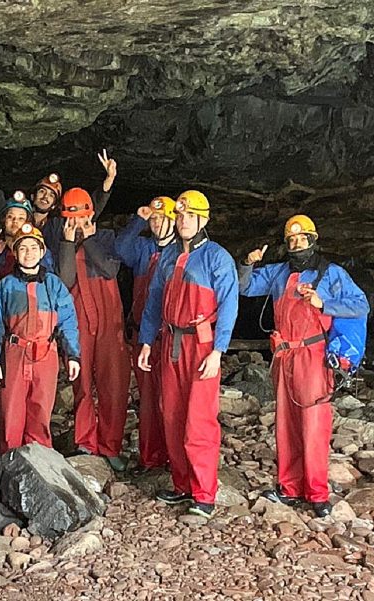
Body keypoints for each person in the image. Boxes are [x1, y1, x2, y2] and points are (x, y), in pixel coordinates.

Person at [239, 215, 369, 517]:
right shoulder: (278, 272)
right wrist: (247, 261)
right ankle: (289, 488)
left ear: (313, 240)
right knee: (285, 423)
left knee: (313, 425)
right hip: (284, 356)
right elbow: (244, 287)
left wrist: (324, 303)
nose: (296, 244)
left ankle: (317, 493)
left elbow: (361, 304)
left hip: (313, 356)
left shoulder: (332, 274)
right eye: (292, 240)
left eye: (302, 238)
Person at [138, 190, 239, 518]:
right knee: (172, 416)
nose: (183, 222)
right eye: (179, 216)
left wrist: (219, 351)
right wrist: (146, 341)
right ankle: (182, 485)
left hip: (200, 347)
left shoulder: (216, 257)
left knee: (198, 419)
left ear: (203, 220)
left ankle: (204, 494)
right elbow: (154, 301)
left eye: (190, 216)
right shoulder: (168, 257)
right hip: (170, 344)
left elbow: (229, 307)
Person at [0, 224, 81, 454]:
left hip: (46, 354)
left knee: (41, 412)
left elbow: (68, 320)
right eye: (23, 248)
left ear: (42, 251)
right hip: (15, 353)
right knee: (11, 413)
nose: (29, 253)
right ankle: (8, 464)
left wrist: (73, 354)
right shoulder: (6, 285)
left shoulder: (53, 284)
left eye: (34, 248)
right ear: (15, 254)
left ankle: (39, 465)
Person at [58, 188, 130, 471]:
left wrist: (88, 240)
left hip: (109, 324)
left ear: (90, 215)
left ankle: (110, 445)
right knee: (82, 384)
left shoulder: (106, 238)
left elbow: (109, 270)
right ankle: (86, 442)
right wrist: (66, 244)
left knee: (114, 386)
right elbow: (64, 280)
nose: (76, 224)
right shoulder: (60, 242)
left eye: (80, 217)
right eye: (71, 219)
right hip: (79, 324)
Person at [0, 191, 54, 453]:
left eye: (21, 217)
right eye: (10, 217)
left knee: (17, 387)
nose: (14, 222)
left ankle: (26, 443)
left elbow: (49, 284)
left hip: (25, 326)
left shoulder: (33, 248)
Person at [0, 127, 116, 252]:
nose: (45, 197)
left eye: (51, 195)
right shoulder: (16, 214)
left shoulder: (56, 226)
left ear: (55, 204)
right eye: (42, 191)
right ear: (33, 196)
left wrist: (109, 179)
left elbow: (86, 213)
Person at [115, 196, 177, 471]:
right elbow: (120, 248)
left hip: (172, 338)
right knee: (149, 399)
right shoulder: (143, 248)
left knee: (172, 399)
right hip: (143, 336)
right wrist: (138, 219)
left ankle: (174, 456)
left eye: (160, 218)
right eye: (153, 219)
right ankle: (151, 457)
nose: (155, 223)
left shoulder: (181, 253)